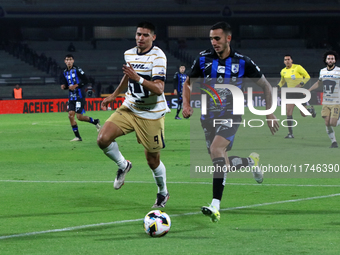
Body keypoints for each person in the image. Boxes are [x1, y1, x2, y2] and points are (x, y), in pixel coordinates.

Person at [182, 21, 279, 222]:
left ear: (228, 38)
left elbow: (266, 86)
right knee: (221, 163)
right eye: (211, 38)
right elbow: (188, 84)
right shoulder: (202, 59)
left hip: (231, 114)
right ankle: (250, 161)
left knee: (217, 150)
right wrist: (186, 104)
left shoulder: (243, 62)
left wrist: (269, 113)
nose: (213, 42)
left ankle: (215, 205)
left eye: (217, 38)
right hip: (207, 117)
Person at [97, 22, 170, 208]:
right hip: (130, 108)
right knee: (103, 139)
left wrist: (138, 77)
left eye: (145, 35)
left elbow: (159, 88)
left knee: (152, 160)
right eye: (138, 34)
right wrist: (113, 95)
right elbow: (127, 76)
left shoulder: (158, 57)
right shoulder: (129, 53)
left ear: (153, 37)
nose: (140, 38)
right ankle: (123, 165)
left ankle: (163, 193)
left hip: (151, 113)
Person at [60, 54, 101, 142]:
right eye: (67, 59)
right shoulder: (64, 72)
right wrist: (64, 86)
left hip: (79, 96)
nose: (69, 61)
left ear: (73, 61)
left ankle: (95, 121)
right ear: (65, 61)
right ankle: (78, 137)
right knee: (70, 116)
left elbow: (86, 80)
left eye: (70, 59)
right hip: (71, 97)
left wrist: (76, 85)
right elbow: (66, 84)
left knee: (79, 117)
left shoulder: (77, 70)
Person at [278, 54, 316, 138]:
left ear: (291, 60)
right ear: (284, 62)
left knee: (304, 114)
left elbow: (307, 76)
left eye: (288, 59)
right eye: (285, 60)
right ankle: (290, 133)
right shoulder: (283, 71)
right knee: (288, 113)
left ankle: (311, 110)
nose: (287, 61)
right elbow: (282, 81)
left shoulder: (297, 67)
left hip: (299, 93)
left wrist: (301, 83)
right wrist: (278, 86)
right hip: (290, 93)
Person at [308, 51, 340, 148]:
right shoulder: (322, 71)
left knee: (333, 123)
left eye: (332, 58)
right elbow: (318, 83)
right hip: (326, 101)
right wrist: (308, 90)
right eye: (329, 59)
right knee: (327, 123)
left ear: (335, 60)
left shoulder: (338, 71)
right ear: (326, 60)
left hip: (336, 101)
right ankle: (334, 142)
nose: (330, 60)